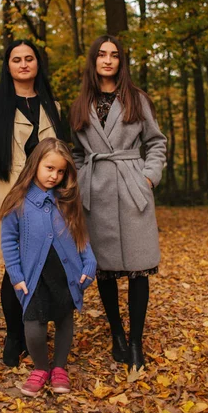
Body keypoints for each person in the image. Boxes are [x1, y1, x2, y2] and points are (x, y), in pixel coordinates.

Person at [0, 40, 64, 368]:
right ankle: (15, 335)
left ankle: (35, 328)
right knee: (12, 268)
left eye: (28, 58)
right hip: (3, 197)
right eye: (15, 59)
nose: (22, 64)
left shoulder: (52, 105)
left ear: (37, 64)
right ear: (8, 65)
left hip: (44, 200)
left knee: (42, 266)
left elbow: (61, 154)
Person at [70, 34, 166, 371]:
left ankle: (136, 342)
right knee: (105, 271)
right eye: (102, 55)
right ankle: (117, 335)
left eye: (114, 55)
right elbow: (78, 152)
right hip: (95, 193)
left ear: (121, 62)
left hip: (132, 187)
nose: (108, 60)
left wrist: (148, 177)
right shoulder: (81, 103)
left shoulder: (137, 99)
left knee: (139, 270)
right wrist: (82, 181)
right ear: (93, 61)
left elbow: (156, 143)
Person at [0, 138, 97, 397]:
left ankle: (59, 368)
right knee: (33, 324)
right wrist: (15, 274)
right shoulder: (19, 201)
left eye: (61, 171)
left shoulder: (66, 199)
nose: (55, 176)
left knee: (65, 319)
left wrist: (90, 261)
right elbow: (8, 241)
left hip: (66, 273)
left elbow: (81, 235)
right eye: (49, 168)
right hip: (34, 275)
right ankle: (41, 368)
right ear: (35, 165)